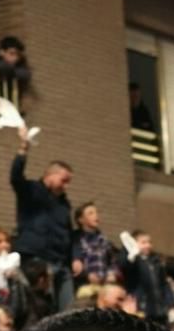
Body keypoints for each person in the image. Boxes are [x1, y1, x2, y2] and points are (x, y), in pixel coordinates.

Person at [11, 127, 74, 310]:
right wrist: (23, 148)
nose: (66, 186)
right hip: (38, 259)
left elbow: (68, 231)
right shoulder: (31, 190)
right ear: (50, 175)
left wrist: (73, 259)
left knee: (68, 310)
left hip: (61, 262)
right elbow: (15, 177)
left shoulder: (64, 204)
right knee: (45, 308)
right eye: (64, 180)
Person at [120, 230, 174, 322]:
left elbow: (164, 284)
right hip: (142, 308)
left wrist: (170, 303)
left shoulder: (156, 262)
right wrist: (129, 253)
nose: (148, 245)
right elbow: (124, 266)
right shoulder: (133, 260)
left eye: (149, 242)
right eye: (143, 242)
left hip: (160, 309)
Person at [71, 201, 118, 289]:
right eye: (90, 213)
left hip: (103, 287)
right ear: (81, 219)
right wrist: (86, 275)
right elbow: (73, 263)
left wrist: (111, 273)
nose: (96, 215)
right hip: (83, 287)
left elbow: (113, 261)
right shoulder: (76, 239)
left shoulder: (103, 239)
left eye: (96, 212)